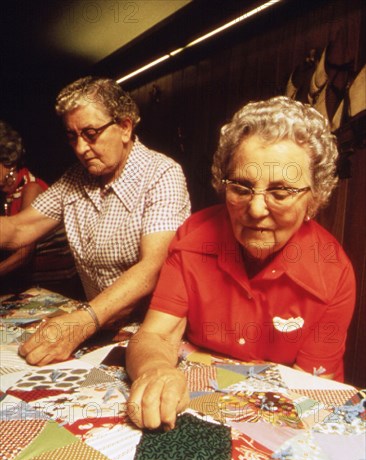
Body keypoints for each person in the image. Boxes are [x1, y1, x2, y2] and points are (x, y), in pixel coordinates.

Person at [126, 95, 356, 430]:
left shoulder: (333, 273)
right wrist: (155, 370)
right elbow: (156, 335)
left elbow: (313, 393)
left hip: (275, 417)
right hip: (190, 400)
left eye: (280, 193)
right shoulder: (194, 237)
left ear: (314, 199)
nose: (257, 209)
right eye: (242, 188)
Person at [0, 76, 190, 365]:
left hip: (152, 334)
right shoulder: (74, 179)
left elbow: (153, 267)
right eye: (72, 136)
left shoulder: (161, 174)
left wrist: (83, 320)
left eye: (90, 133)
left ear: (125, 127)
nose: (80, 148)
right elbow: (18, 229)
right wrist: (87, 321)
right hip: (100, 326)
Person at [0, 121, 48, 293]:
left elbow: (24, 253)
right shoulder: (8, 196)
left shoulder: (31, 187)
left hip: (50, 286)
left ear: (7, 160)